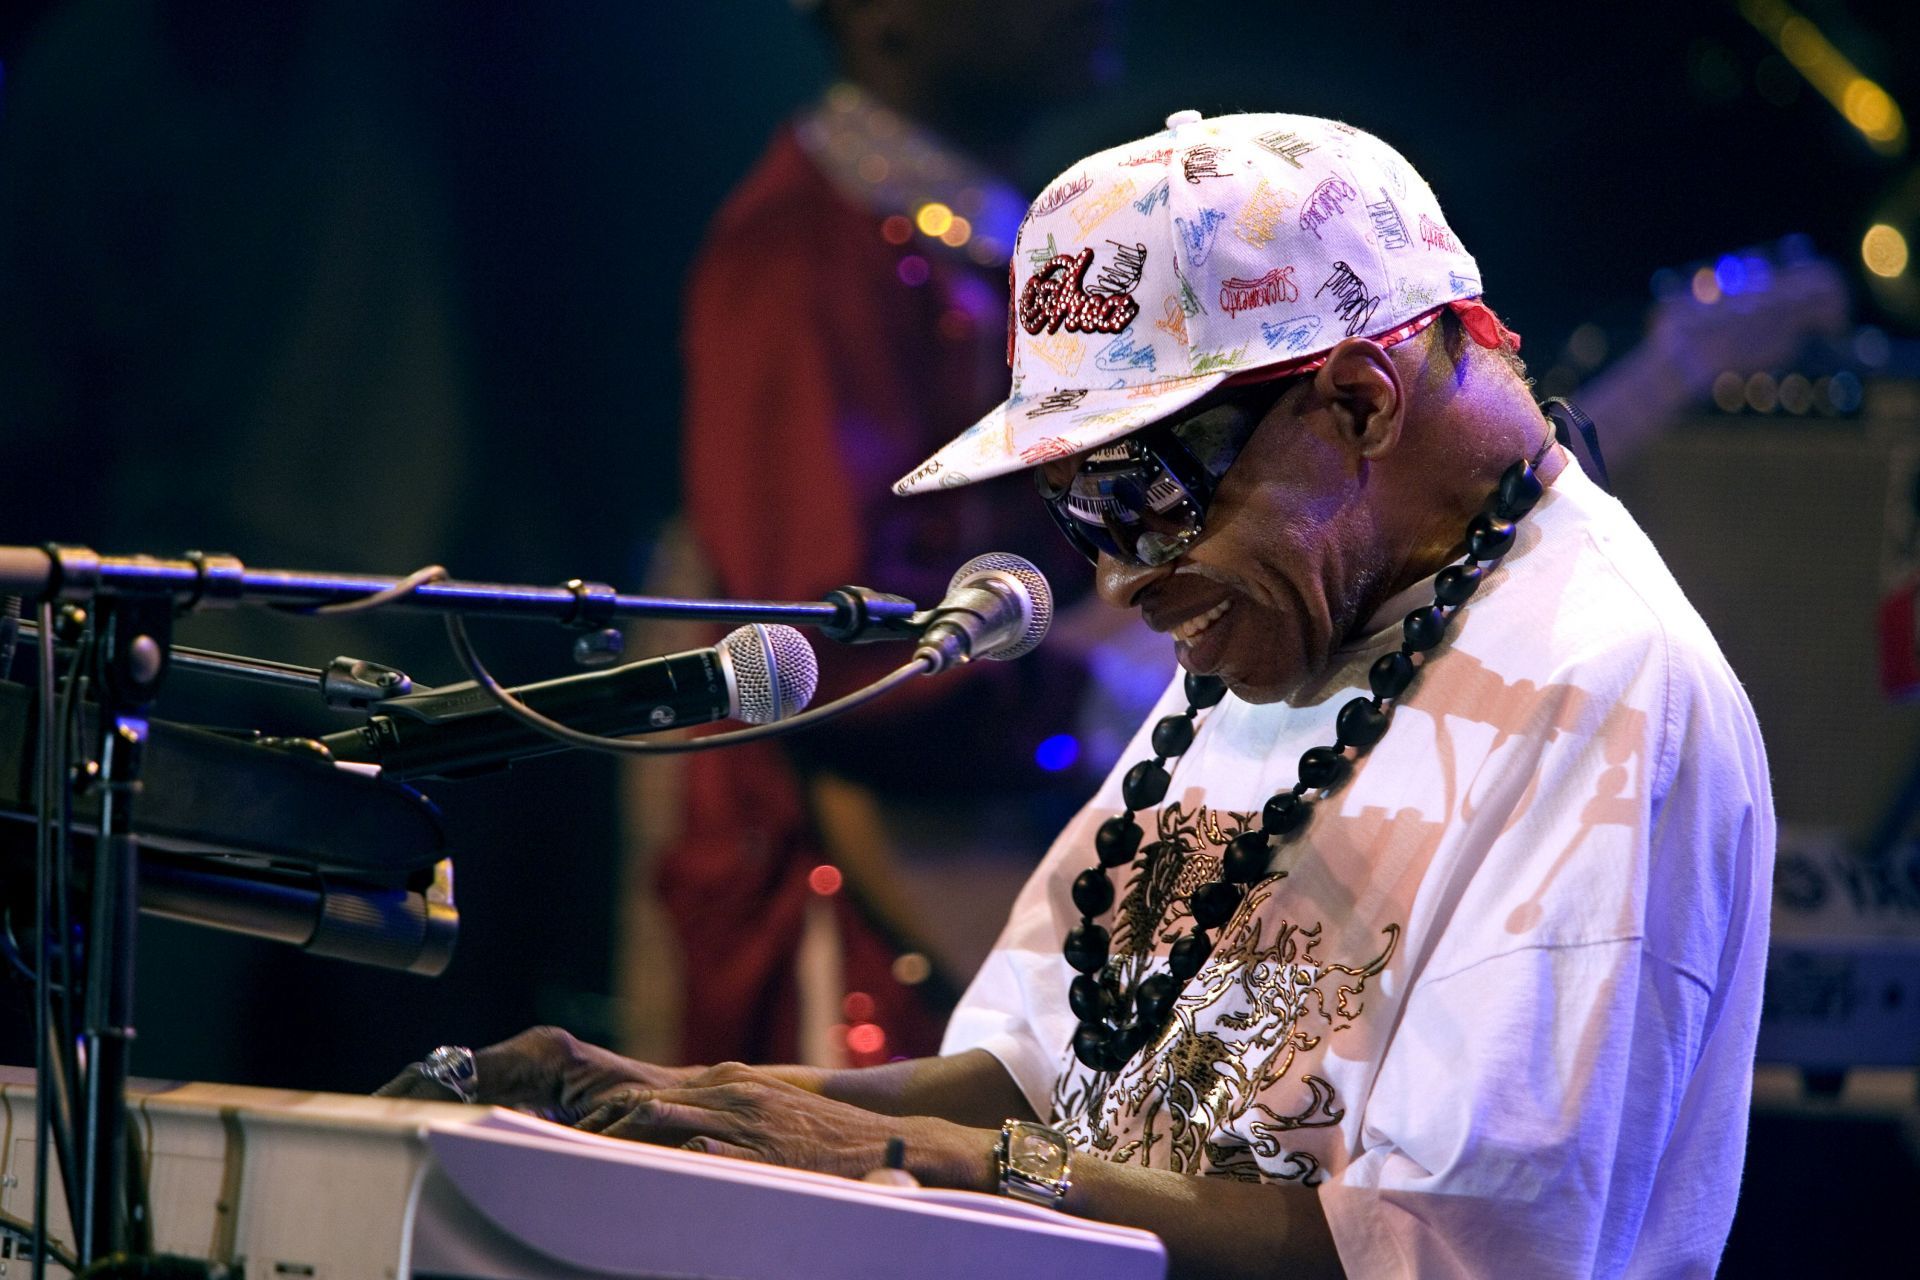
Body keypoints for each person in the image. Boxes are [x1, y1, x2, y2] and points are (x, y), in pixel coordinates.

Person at [385, 110, 1773, 1278]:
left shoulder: (1600, 689)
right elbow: (1034, 1084)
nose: (1116, 576)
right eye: (1073, 505)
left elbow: (1432, 1248)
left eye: (1145, 491)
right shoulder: (1289, 624)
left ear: (1357, 402)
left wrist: (904, 1154)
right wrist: (667, 1101)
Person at [628, 0, 1116, 1069]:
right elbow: (820, 648)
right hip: (853, 880)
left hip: (994, 833)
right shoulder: (797, 254)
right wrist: (1097, 691)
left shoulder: (1010, 242)